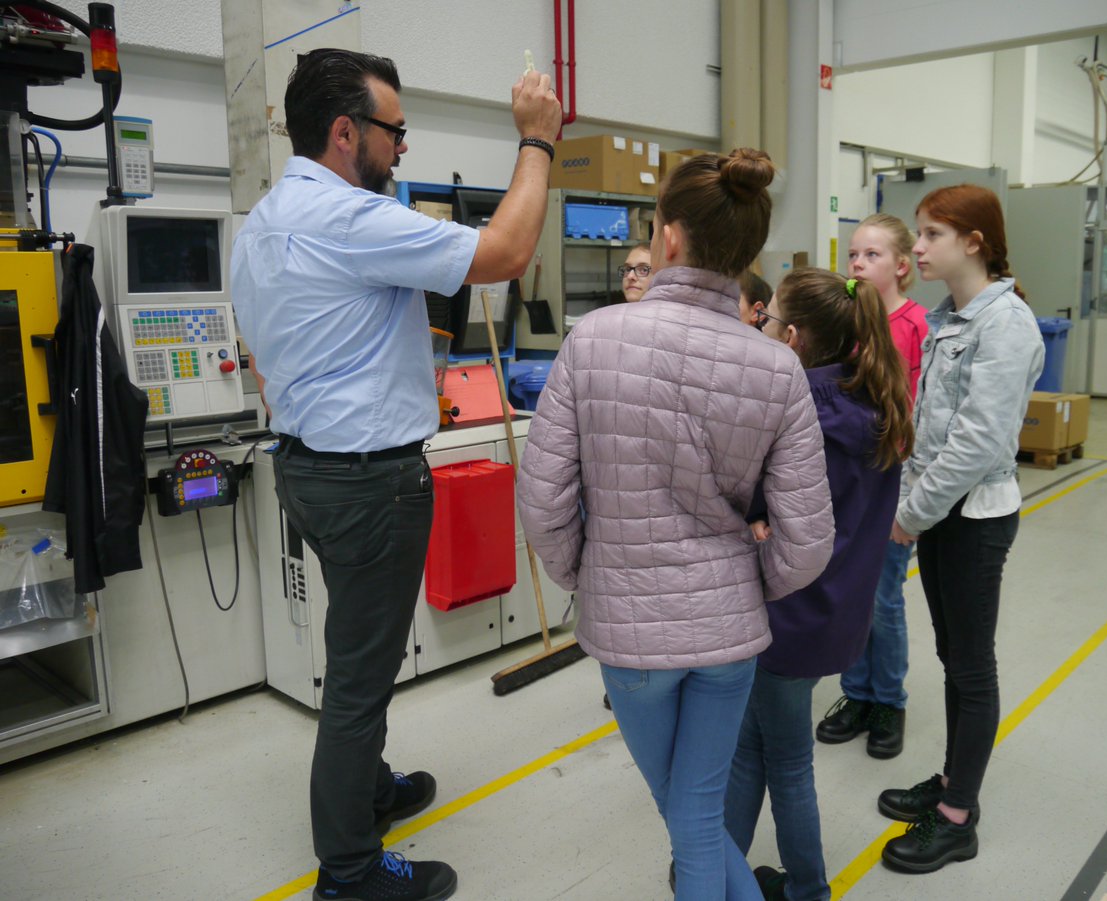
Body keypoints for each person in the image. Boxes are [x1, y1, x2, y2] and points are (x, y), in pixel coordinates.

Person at [231, 48, 560, 901]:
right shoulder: (346, 219)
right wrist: (538, 142)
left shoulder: (263, 221)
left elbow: (263, 360)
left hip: (307, 468)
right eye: (395, 131)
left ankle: (371, 790)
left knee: (358, 648)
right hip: (367, 482)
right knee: (359, 677)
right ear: (346, 133)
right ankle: (348, 871)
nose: (403, 148)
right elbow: (509, 250)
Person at [516, 149, 835, 901]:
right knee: (695, 815)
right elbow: (809, 538)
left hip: (631, 637)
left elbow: (543, 501)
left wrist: (595, 577)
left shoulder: (593, 340)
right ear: (747, 253)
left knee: (687, 817)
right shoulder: (776, 368)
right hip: (729, 639)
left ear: (667, 238)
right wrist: (740, 584)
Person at [725, 269, 913, 901]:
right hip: (830, 613)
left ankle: (807, 888)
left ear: (796, 337)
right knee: (754, 747)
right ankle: (714, 868)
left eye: (771, 321)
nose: (765, 330)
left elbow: (761, 505)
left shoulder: (805, 416)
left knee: (787, 763)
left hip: (790, 614)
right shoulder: (867, 403)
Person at [878, 184, 1043, 874]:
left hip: (972, 520)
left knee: (972, 666)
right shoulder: (953, 318)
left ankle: (957, 817)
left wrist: (908, 517)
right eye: (919, 233)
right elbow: (930, 430)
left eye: (931, 234)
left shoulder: (1006, 327)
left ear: (974, 241)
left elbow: (975, 445)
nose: (918, 248)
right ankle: (951, 779)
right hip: (943, 512)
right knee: (953, 656)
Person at [815, 213, 927, 759]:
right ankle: (855, 694)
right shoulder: (847, 323)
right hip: (848, 480)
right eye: (853, 255)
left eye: (872, 255)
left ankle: (889, 701)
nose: (857, 264)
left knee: (883, 599)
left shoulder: (916, 327)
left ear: (902, 266)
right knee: (850, 591)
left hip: (893, 481)